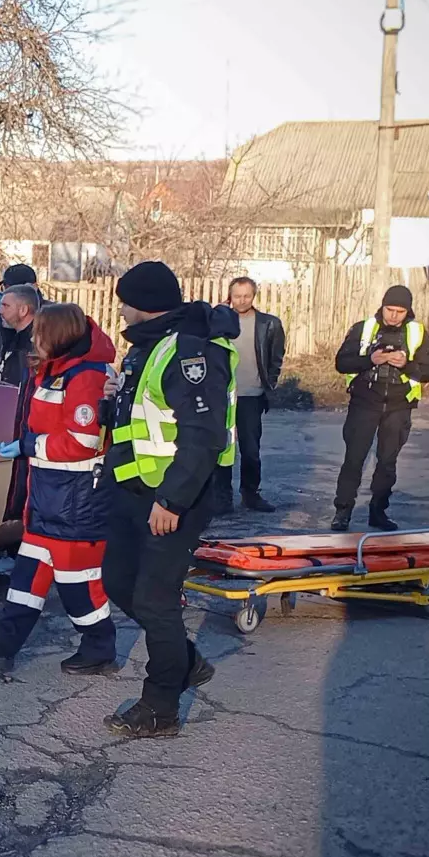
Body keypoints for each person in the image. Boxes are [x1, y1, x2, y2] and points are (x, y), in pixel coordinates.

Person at [100, 261, 238, 739]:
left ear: (145, 306)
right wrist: (110, 401)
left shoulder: (189, 352)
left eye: (125, 303)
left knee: (155, 600)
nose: (120, 310)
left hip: (173, 498)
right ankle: (185, 660)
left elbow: (203, 437)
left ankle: (160, 708)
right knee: (117, 581)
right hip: (134, 490)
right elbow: (139, 420)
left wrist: (173, 501)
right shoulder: (147, 348)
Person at [0, 304, 119, 674]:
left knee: (78, 584)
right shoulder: (56, 372)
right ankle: (3, 644)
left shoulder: (87, 377)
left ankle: (99, 646)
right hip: (50, 495)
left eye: (40, 334)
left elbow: (81, 441)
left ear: (58, 337)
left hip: (77, 500)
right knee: (26, 578)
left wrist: (28, 446)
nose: (33, 339)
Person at [330, 284, 429, 532]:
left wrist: (407, 364)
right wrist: (371, 359)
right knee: (354, 459)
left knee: (387, 462)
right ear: (382, 306)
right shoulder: (364, 328)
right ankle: (342, 512)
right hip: (364, 402)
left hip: (399, 406)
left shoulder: (417, 333)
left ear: (407, 310)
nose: (393, 315)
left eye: (400, 311)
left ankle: (378, 512)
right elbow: (341, 363)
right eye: (390, 309)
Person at [0, 283, 44, 578]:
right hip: (3, 414)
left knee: (27, 488)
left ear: (23, 310)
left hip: (28, 421)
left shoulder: (40, 339)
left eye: (5, 305)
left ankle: (22, 554)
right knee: (10, 484)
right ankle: (10, 548)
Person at [216, 277, 285, 513]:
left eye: (247, 296)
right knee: (221, 449)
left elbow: (276, 357)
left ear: (254, 296)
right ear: (229, 295)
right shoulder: (216, 322)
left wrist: (269, 384)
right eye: (237, 296)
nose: (242, 301)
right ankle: (221, 497)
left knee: (251, 450)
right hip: (222, 395)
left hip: (251, 395)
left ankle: (250, 494)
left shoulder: (269, 324)